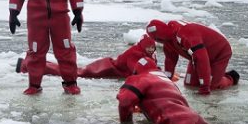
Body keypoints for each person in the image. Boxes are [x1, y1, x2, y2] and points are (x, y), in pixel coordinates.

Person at [117, 57, 214, 124]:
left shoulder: (139, 78)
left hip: (177, 122)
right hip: (196, 118)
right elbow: (163, 100)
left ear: (136, 72)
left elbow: (125, 101)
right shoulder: (167, 81)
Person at [145, 19, 239, 95]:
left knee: (212, 87)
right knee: (190, 84)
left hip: (219, 53)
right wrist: (166, 81)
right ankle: (213, 77)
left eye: (158, 38)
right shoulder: (168, 41)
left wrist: (205, 86)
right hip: (196, 55)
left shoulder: (186, 34)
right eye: (156, 39)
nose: (158, 40)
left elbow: (202, 59)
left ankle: (231, 78)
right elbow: (170, 60)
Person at [14, 34, 158, 80]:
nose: (151, 49)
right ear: (143, 46)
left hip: (107, 66)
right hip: (106, 69)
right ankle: (29, 65)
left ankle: (31, 62)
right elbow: (137, 70)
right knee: (73, 73)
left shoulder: (143, 53)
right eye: (149, 47)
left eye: (152, 47)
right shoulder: (137, 54)